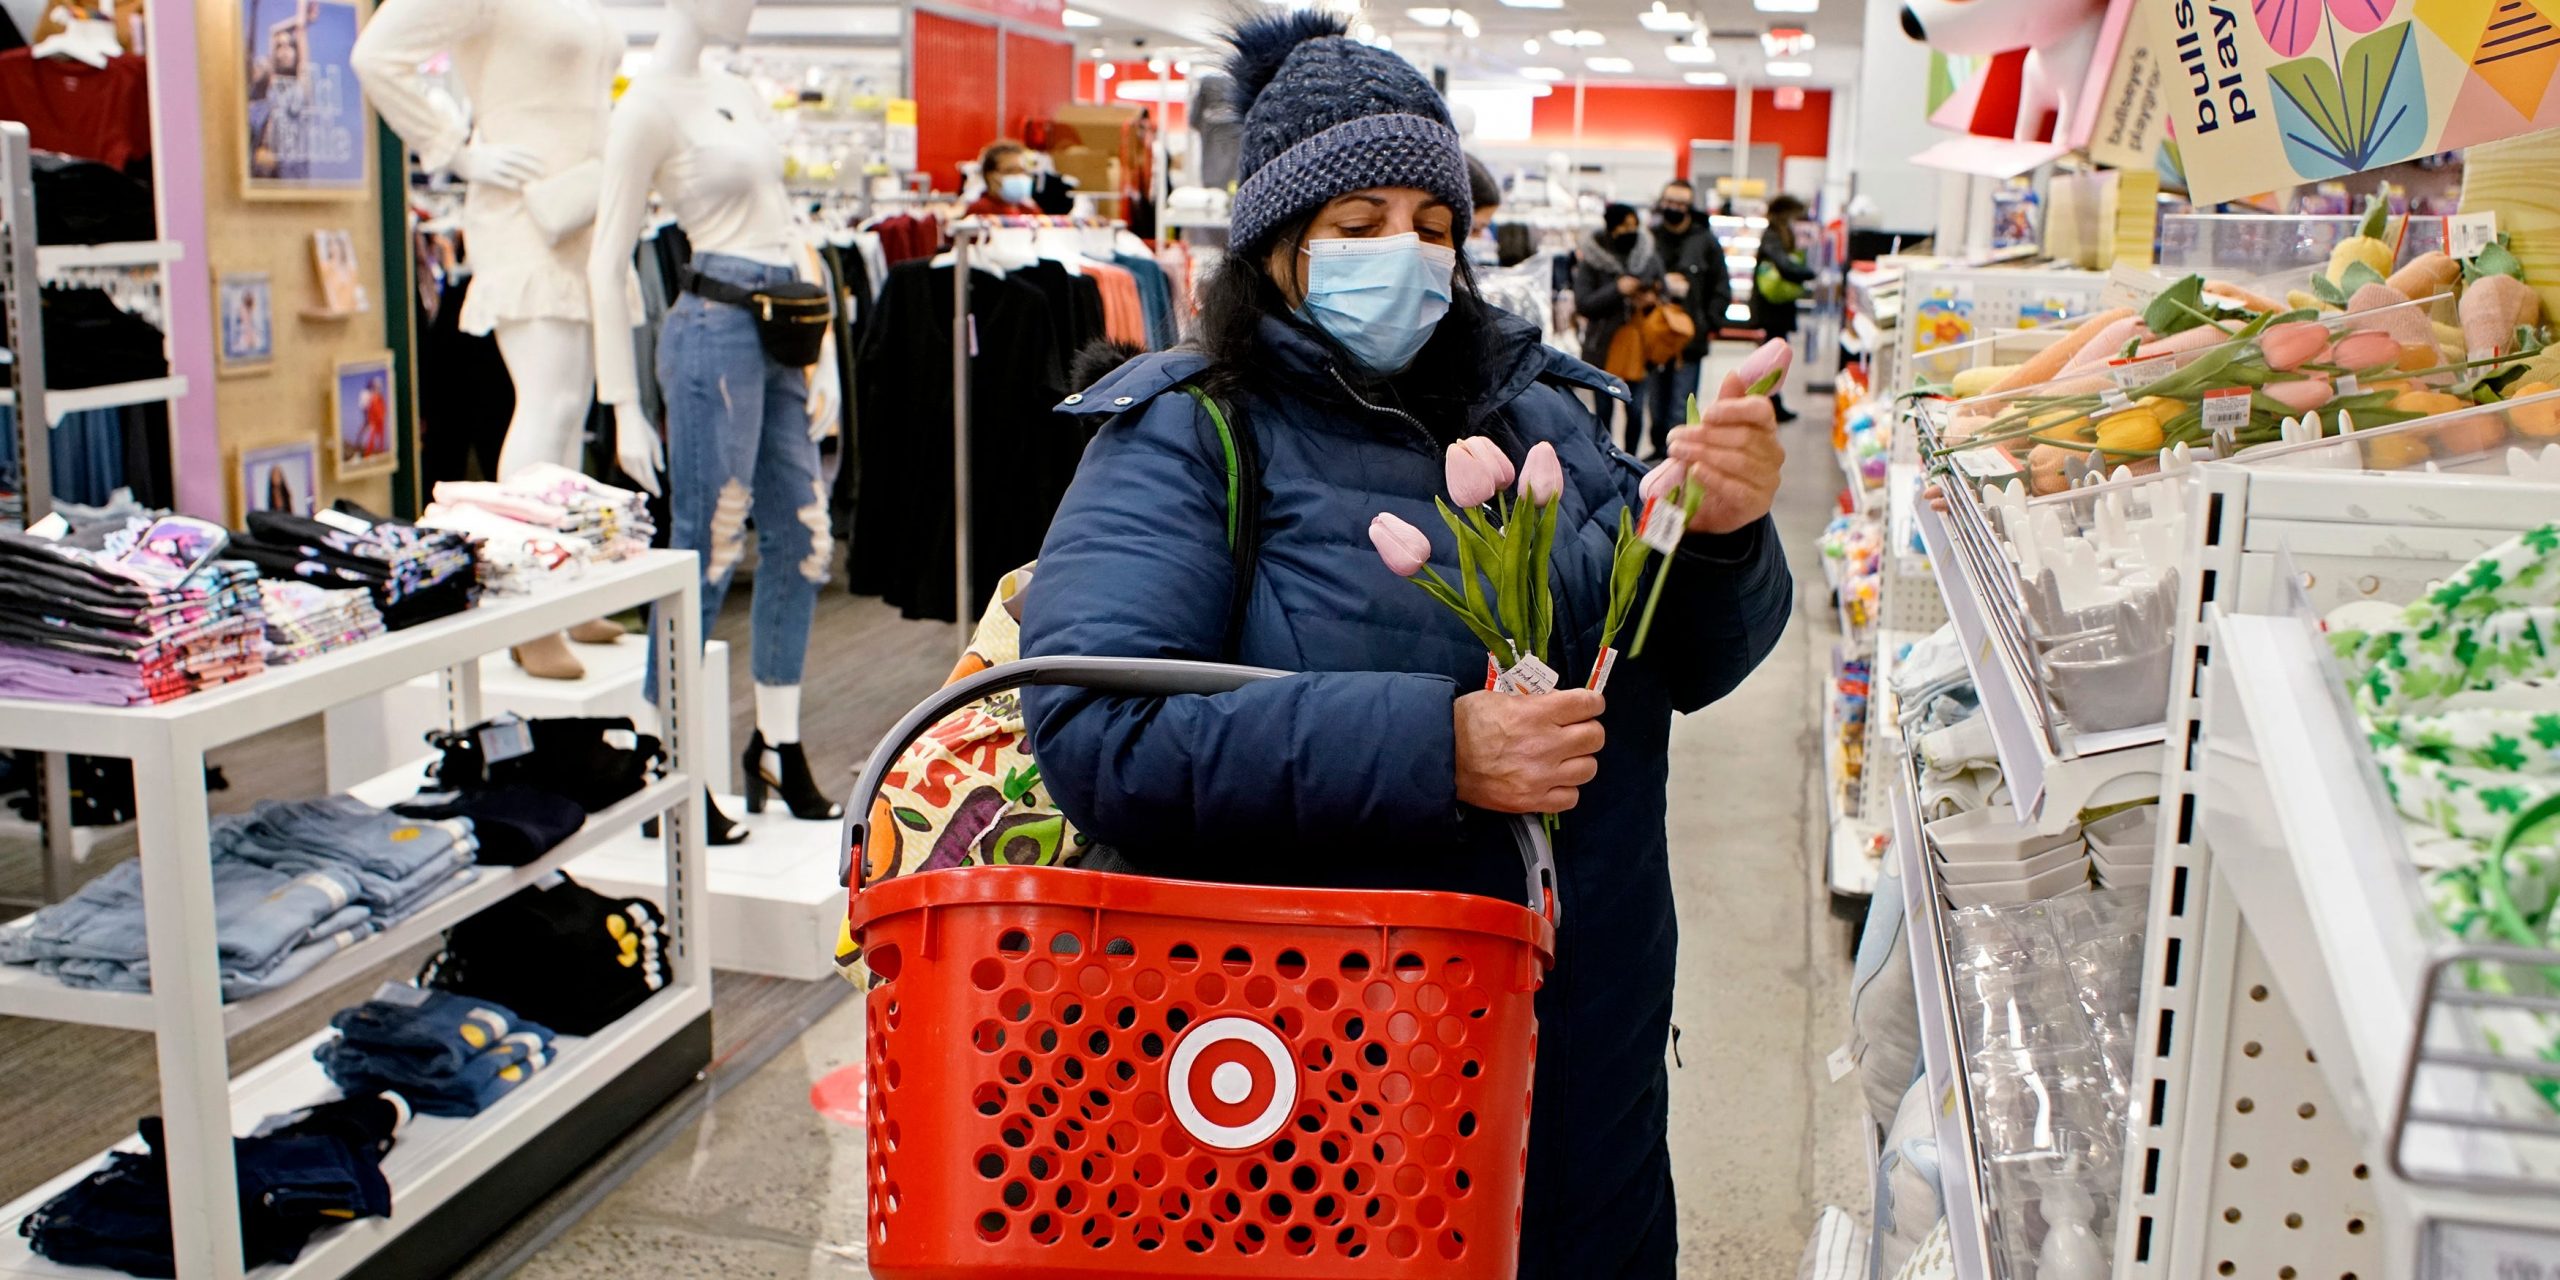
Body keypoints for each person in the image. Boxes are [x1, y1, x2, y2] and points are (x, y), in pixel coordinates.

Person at [1017, 11, 1792, 1277]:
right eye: (1360, 225)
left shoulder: (1542, 409)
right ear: (1276, 249)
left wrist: (1719, 532)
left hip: (1578, 1038)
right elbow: (1099, 732)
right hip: (1312, 1052)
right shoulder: (1187, 434)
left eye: (1433, 227)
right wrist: (1438, 750)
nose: (1408, 255)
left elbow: (1680, 664)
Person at [1642, 178, 1729, 459]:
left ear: (1690, 208)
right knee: (1655, 401)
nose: (1673, 208)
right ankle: (1657, 450)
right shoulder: (1650, 239)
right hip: (1654, 335)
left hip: (1690, 338)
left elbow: (1721, 286)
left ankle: (1677, 455)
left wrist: (1710, 324)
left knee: (1682, 401)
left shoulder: (1705, 242)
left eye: (1680, 204)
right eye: (1669, 202)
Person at [1573, 201, 1663, 451]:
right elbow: (1583, 303)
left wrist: (1650, 299)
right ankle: (1606, 457)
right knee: (1603, 410)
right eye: (1624, 226)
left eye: (1634, 226)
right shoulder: (1592, 260)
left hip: (1638, 343)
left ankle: (1631, 459)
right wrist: (1617, 289)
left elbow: (1662, 289)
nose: (1630, 231)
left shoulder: (1647, 255)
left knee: (1635, 410)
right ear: (1612, 228)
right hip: (1602, 346)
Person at [1752, 193, 1817, 423]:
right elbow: (1784, 266)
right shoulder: (1773, 235)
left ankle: (1772, 402)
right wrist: (1810, 273)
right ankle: (1770, 403)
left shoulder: (1777, 234)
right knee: (1772, 357)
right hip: (1772, 308)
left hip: (1776, 307)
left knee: (1774, 355)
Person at [965, 140, 1040, 217]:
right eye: (1009, 171)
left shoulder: (1029, 209)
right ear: (990, 176)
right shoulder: (979, 210)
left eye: (1021, 171)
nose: (1018, 176)